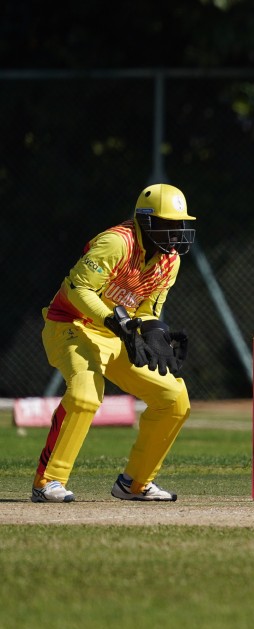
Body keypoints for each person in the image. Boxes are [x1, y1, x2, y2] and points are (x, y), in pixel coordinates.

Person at [31, 184, 196, 503]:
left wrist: (155, 333)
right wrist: (116, 320)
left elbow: (149, 309)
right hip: (70, 324)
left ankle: (135, 484)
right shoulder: (116, 243)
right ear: (145, 221)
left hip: (114, 335)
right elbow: (78, 290)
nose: (175, 233)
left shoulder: (169, 261)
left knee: (174, 398)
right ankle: (47, 481)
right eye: (168, 225)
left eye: (179, 225)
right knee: (84, 395)